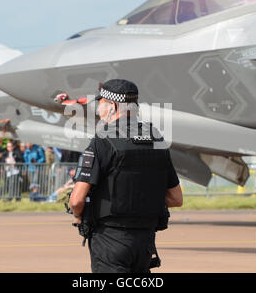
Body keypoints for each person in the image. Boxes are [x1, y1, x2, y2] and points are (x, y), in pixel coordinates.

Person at [69, 79, 183, 273]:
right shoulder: (156, 140)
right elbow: (175, 199)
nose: (99, 110)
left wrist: (79, 216)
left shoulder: (102, 140)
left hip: (110, 240)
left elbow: (76, 200)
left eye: (101, 104)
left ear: (112, 106)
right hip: (145, 242)